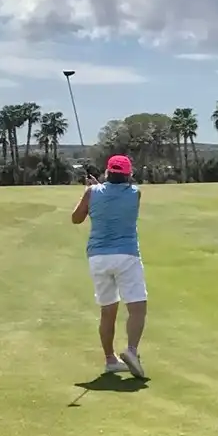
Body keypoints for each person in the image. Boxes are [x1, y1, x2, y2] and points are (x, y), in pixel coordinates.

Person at [72, 154, 148, 377]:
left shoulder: (93, 193)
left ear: (107, 172)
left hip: (98, 257)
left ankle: (110, 360)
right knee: (137, 306)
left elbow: (76, 218)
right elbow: (117, 195)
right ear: (128, 175)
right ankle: (132, 351)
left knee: (107, 311)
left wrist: (90, 191)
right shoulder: (135, 193)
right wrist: (98, 191)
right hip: (126, 255)